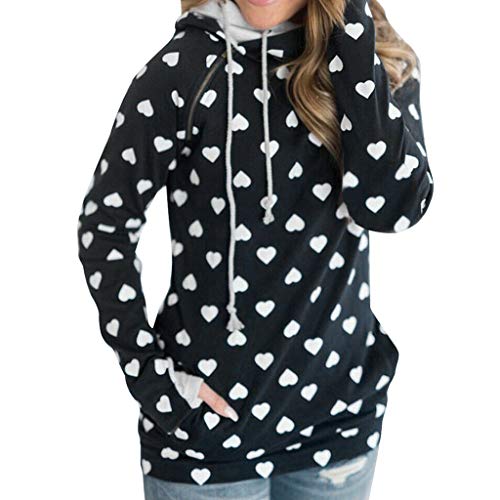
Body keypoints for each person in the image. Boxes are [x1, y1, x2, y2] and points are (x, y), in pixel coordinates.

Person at [76, 0, 434, 498]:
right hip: (204, 443)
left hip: (338, 428)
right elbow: (105, 226)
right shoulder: (183, 70)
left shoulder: (378, 60)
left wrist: (351, 43)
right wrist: (153, 382)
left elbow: (393, 210)